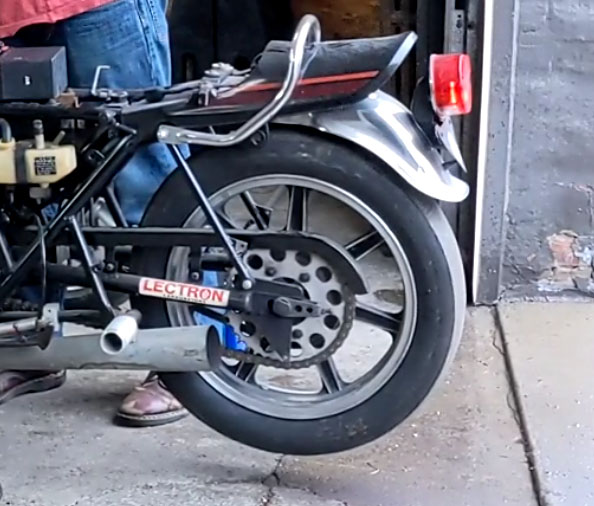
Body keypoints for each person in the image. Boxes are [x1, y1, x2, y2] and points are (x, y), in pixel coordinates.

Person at [0, 0, 189, 427]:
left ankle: (186, 351)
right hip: (11, 13)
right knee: (24, 174)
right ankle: (31, 345)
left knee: (145, 168)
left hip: (98, 6)